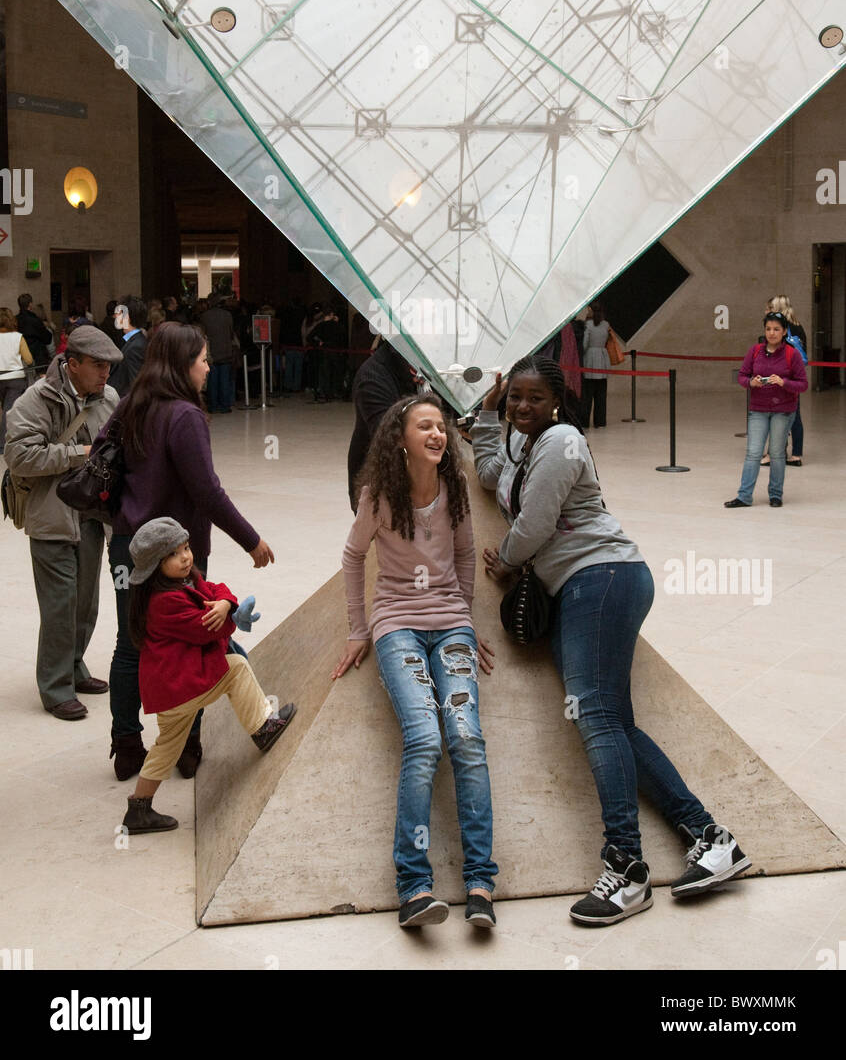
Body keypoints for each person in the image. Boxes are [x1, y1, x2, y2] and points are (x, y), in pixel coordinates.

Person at [471, 354, 750, 926]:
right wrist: (482, 414)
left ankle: (626, 869)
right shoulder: (524, 444)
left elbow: (538, 520)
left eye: (533, 397)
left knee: (592, 715)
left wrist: (507, 560)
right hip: (585, 586)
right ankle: (711, 838)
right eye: (514, 397)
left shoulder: (564, 441)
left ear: (557, 399)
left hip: (601, 579)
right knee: (612, 722)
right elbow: (492, 474)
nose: (522, 406)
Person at [332, 393, 498, 928]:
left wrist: (467, 622)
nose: (436, 434)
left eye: (441, 427)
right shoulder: (379, 495)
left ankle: (480, 882)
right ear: (400, 439)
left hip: (450, 623)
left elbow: (468, 554)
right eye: (424, 426)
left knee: (467, 739)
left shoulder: (456, 489)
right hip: (397, 625)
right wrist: (360, 629)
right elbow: (354, 556)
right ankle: (414, 887)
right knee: (425, 738)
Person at [101, 322, 275, 780]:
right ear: (183, 365)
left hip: (128, 544)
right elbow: (207, 492)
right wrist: (250, 539)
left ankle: (127, 746)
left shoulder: (130, 405)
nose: (208, 366)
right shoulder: (184, 415)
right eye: (202, 359)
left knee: (130, 642)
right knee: (195, 636)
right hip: (179, 552)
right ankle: (188, 747)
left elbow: (100, 460)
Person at [121, 518, 296, 835]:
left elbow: (215, 589)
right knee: (236, 668)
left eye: (186, 548)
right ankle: (262, 727)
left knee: (167, 747)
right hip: (178, 688)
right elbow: (206, 630)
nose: (186, 557)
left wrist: (227, 603)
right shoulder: (164, 602)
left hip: (169, 692)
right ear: (154, 566)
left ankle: (138, 808)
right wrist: (227, 616)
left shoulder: (184, 582)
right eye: (174, 554)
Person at [3, 325, 122, 719]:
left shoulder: (109, 398)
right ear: (72, 364)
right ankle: (55, 687)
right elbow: (20, 457)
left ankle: (74, 666)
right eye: (98, 365)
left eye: (110, 366)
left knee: (86, 603)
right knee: (59, 606)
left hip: (91, 516)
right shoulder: (35, 401)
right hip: (52, 516)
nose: (106, 373)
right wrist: (79, 453)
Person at [725, 312, 808, 509]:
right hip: (758, 409)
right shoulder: (755, 351)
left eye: (776, 329)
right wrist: (751, 382)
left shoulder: (792, 354)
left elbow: (803, 384)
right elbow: (742, 376)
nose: (772, 333)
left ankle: (775, 495)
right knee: (753, 453)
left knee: (777, 453)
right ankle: (744, 496)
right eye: (768, 329)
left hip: (783, 410)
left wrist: (784, 382)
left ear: (784, 332)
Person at [347, 337, 418, 510]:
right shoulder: (373, 376)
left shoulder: (424, 364)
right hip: (380, 485)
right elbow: (388, 436)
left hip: (417, 482)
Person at [766, 296, 807, 466]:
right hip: (795, 374)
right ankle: (796, 455)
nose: (766, 311)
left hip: (782, 375)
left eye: (769, 308)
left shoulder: (780, 328)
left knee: (777, 414)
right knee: (794, 415)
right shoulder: (799, 327)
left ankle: (775, 453)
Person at [0, 306, 33, 447]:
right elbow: (29, 359)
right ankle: (3, 444)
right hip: (15, 378)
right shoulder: (17, 337)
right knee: (9, 411)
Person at [581, 301, 614, 428]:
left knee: (587, 395)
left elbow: (584, 344)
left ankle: (585, 421)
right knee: (601, 394)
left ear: (591, 311)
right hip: (602, 357)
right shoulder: (606, 324)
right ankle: (600, 421)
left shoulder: (587, 325)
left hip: (590, 358)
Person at [200, 295, 235, 414]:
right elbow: (231, 332)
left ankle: (213, 405)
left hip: (212, 352)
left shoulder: (204, 316)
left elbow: (203, 333)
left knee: (212, 381)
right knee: (225, 379)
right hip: (225, 351)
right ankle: (225, 405)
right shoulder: (227, 315)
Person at [109, 297, 148, 399]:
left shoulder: (136, 346)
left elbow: (137, 386)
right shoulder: (133, 342)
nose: (114, 316)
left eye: (118, 313)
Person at [16, 292, 53, 376]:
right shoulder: (35, 320)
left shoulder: (15, 320)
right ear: (30, 304)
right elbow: (47, 339)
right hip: (38, 358)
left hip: (20, 358)